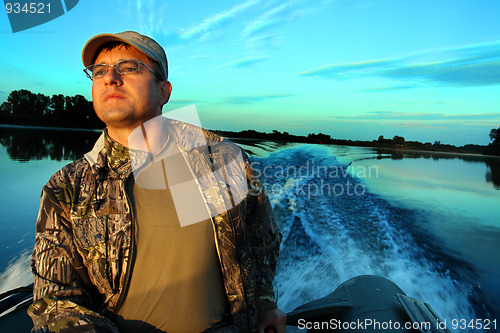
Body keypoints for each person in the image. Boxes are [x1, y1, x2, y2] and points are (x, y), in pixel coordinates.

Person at [28, 31, 286, 333]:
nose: (110, 77)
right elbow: (55, 299)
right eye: (99, 71)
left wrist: (266, 303)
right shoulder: (66, 188)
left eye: (128, 67)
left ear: (164, 92)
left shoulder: (221, 159)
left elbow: (262, 241)